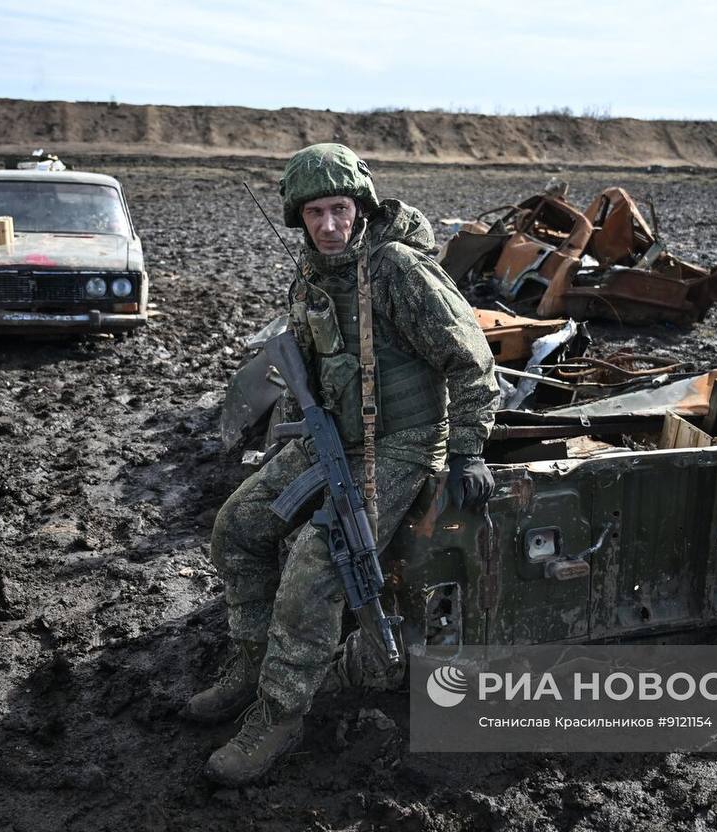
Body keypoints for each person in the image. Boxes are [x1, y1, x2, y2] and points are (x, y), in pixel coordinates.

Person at [186, 143, 499, 786]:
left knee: (319, 563)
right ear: (296, 216)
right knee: (237, 528)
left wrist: (469, 450)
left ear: (361, 207)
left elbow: (472, 363)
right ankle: (249, 667)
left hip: (404, 442)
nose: (329, 226)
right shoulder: (308, 274)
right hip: (330, 437)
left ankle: (279, 715)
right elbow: (304, 368)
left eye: (340, 209)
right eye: (315, 213)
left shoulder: (399, 271)